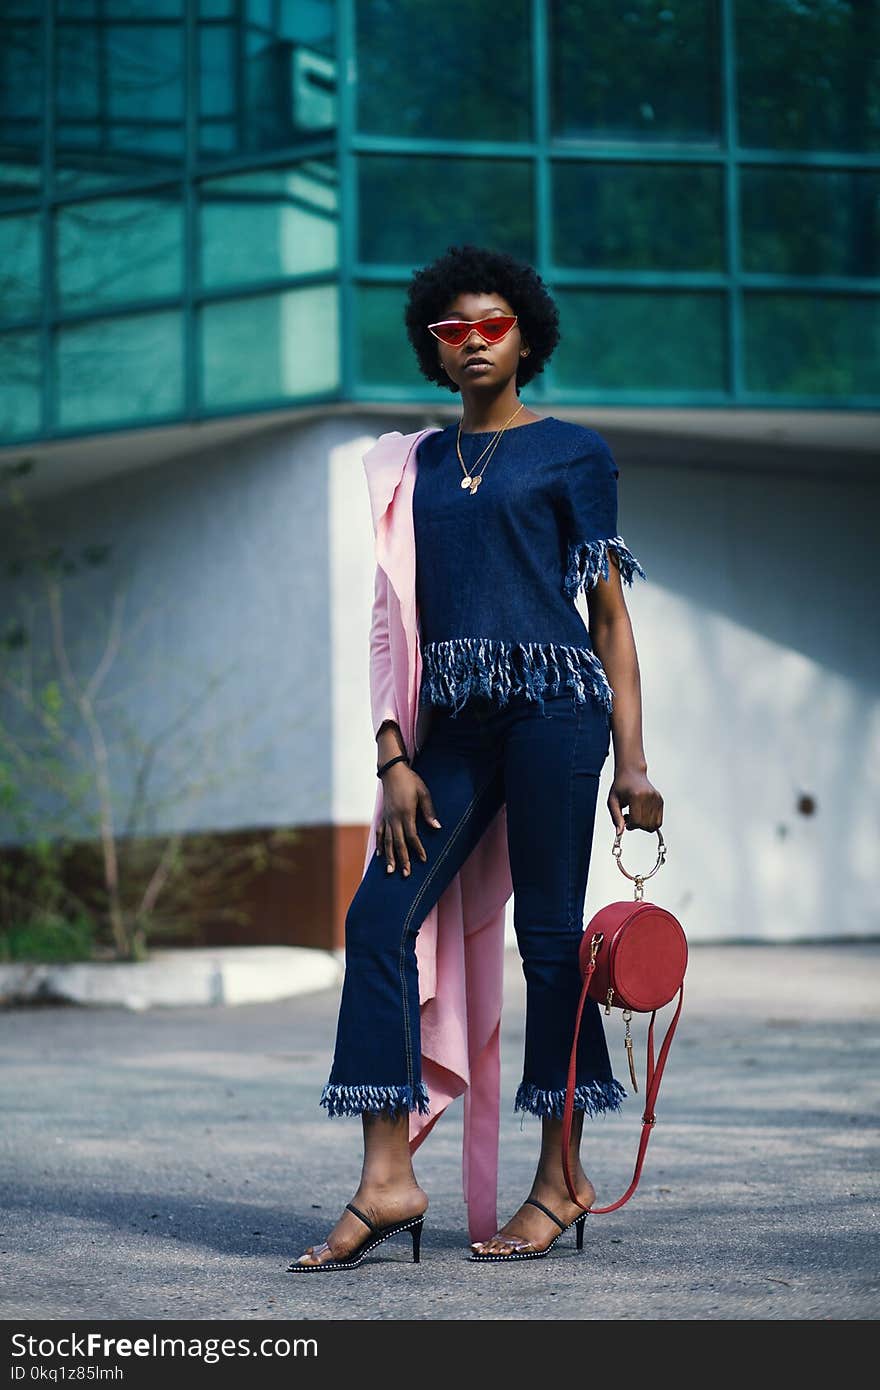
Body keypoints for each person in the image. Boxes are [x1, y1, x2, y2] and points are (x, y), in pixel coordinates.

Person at [289, 244, 663, 1270]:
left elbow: (609, 618)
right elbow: (383, 623)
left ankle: (559, 1176)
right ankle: (387, 1179)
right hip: (448, 732)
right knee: (375, 920)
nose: (471, 343)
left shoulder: (572, 452)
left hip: (556, 715)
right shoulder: (408, 467)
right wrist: (390, 752)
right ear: (431, 346)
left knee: (551, 945)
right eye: (451, 330)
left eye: (490, 325)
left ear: (527, 336)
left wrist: (632, 763)